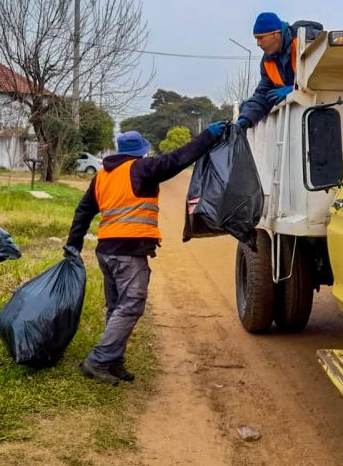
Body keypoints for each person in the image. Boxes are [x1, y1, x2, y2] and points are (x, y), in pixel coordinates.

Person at [65, 123, 229, 385]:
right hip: (128, 253)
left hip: (106, 251)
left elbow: (83, 211)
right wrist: (209, 135)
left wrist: (73, 244)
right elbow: (177, 159)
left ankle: (113, 361)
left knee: (116, 307)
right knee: (130, 306)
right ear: (140, 152)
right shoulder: (140, 168)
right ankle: (97, 361)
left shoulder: (103, 176)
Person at [236, 12, 323, 129]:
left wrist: (294, 89)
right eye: (256, 39)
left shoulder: (306, 42)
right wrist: (246, 118)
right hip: (298, 121)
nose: (258, 43)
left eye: (261, 38)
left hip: (322, 113)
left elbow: (325, 75)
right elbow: (263, 95)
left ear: (276, 34)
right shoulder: (267, 62)